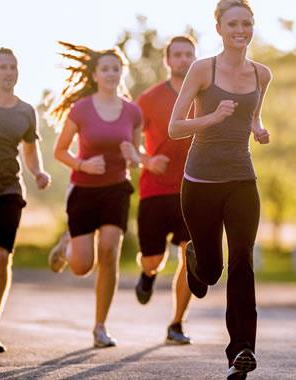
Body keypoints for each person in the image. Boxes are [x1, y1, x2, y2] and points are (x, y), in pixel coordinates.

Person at [168, 1, 271, 378]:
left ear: (252, 27)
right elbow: (175, 127)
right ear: (219, 28)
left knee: (242, 260)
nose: (240, 29)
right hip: (200, 182)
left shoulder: (262, 74)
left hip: (242, 179)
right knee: (212, 273)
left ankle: (241, 349)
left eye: (246, 23)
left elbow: (254, 115)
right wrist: (212, 117)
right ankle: (197, 258)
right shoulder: (202, 69)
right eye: (233, 23)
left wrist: (258, 129)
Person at [47, 41, 143, 348]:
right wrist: (82, 164)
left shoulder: (132, 111)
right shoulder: (82, 109)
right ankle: (67, 247)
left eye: (116, 68)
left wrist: (134, 155)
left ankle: (100, 326)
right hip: (84, 189)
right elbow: (59, 151)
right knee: (82, 267)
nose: (111, 73)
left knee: (109, 252)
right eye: (105, 69)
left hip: (116, 189)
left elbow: (137, 155)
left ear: (121, 73)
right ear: (95, 74)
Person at [0, 48, 51, 353]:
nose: (8, 72)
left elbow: (30, 149)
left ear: (18, 71)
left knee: (2, 256)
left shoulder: (26, 111)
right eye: (2, 67)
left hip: (8, 192)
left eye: (13, 67)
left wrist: (38, 172)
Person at [133, 35, 197, 345]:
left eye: (189, 55)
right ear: (168, 61)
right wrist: (146, 159)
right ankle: (148, 274)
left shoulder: (204, 96)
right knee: (153, 258)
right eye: (178, 55)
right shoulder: (148, 99)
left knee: (190, 255)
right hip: (154, 190)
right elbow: (127, 142)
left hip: (192, 189)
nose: (183, 60)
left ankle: (177, 322)